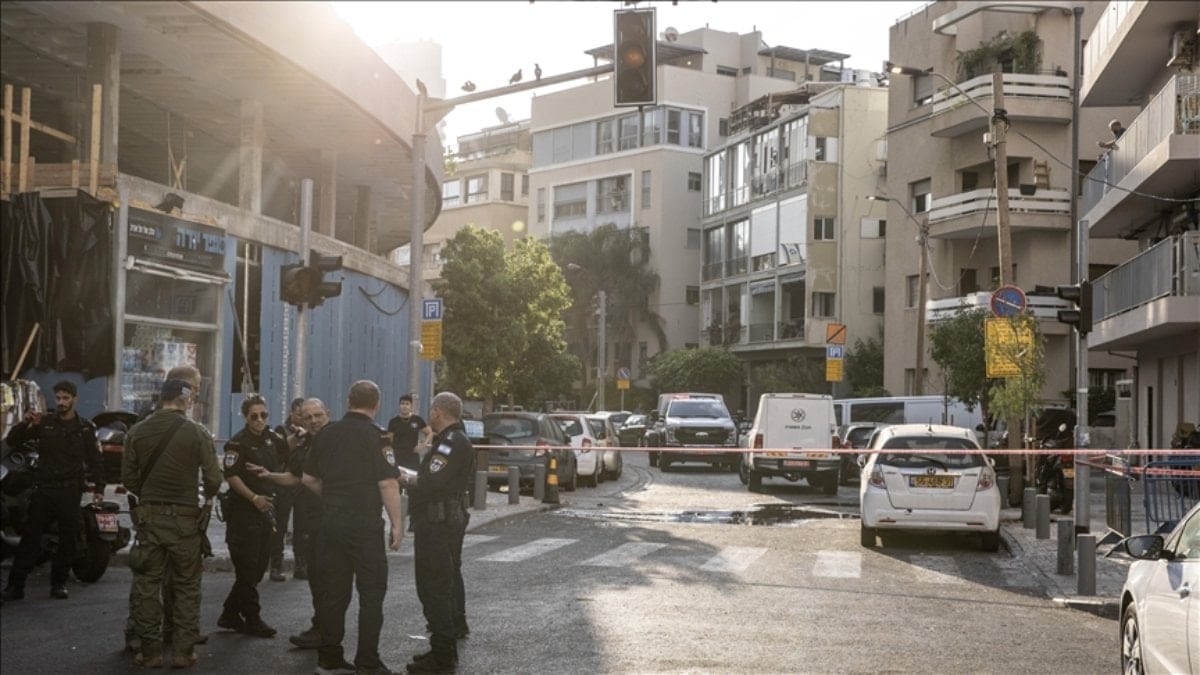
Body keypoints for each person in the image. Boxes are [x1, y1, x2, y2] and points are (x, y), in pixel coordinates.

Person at [303, 380, 403, 675]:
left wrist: (332, 498)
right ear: (376, 405)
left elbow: (308, 479)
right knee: (371, 595)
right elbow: (388, 483)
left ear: (348, 402)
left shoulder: (326, 434)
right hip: (364, 524)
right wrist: (397, 525)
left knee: (334, 593)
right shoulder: (378, 436)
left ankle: (329, 659)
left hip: (331, 522)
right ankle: (367, 662)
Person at [122, 378, 223, 669]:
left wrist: (151, 495)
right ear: (184, 399)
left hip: (149, 520)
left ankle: (150, 652)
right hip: (185, 523)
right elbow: (214, 479)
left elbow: (129, 479)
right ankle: (183, 652)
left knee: (147, 585)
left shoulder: (137, 431)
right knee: (187, 586)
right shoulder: (197, 432)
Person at [2, 380, 105, 601]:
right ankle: (16, 586)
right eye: (58, 398)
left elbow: (95, 460)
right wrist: (25, 423)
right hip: (44, 490)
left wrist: (99, 488)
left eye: (66, 398)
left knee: (67, 540)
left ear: (75, 399)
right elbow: (14, 440)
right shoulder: (45, 423)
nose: (61, 402)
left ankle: (59, 583)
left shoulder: (85, 428)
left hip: (70, 491)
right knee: (30, 538)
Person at [399, 391, 475, 673]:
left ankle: (443, 657)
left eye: (431, 410)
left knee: (434, 586)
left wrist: (405, 478)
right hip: (442, 520)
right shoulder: (453, 439)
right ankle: (442, 648)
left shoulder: (450, 442)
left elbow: (432, 481)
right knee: (441, 582)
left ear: (437, 412)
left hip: (438, 523)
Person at [246, 397, 330, 649]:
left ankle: (328, 634)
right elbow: (296, 477)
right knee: (316, 576)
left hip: (333, 519)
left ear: (327, 414)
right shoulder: (306, 443)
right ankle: (321, 627)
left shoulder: (336, 440)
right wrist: (268, 475)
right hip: (312, 519)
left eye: (318, 415)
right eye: (308, 417)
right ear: (300, 419)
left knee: (329, 577)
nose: (314, 421)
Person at [217, 394, 284, 638]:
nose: (259, 420)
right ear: (245, 417)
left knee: (257, 569)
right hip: (244, 513)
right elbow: (232, 476)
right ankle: (252, 618)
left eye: (263, 415)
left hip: (266, 511)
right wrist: (254, 498)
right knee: (247, 568)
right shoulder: (237, 443)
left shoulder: (272, 439)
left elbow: (285, 453)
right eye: (254, 416)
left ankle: (229, 613)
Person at [268, 396, 307, 582]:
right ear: (292, 413)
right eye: (299, 414)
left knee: (302, 527)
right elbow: (279, 453)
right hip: (284, 484)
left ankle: (301, 564)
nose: (302, 418)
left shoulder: (309, 433)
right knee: (280, 527)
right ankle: (276, 565)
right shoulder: (281, 431)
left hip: (302, 485)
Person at [387, 394, 432, 472]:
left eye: (407, 404)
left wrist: (422, 445)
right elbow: (389, 440)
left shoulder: (417, 420)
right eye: (402, 404)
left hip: (412, 457)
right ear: (399, 405)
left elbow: (430, 433)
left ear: (411, 406)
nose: (404, 406)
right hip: (397, 457)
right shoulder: (393, 422)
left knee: (413, 477)